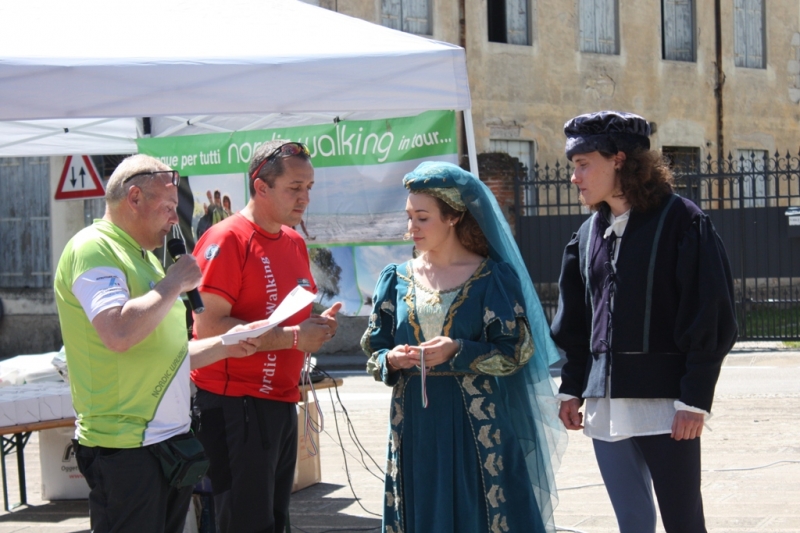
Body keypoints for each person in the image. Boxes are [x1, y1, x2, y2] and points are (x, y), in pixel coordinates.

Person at [54, 154, 265, 533]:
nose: (174, 217)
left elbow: (165, 356)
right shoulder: (94, 248)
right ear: (134, 198)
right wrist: (173, 284)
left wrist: (225, 345)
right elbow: (118, 333)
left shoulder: (148, 260)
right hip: (125, 448)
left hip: (167, 443)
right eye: (168, 206)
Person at [550, 111, 738, 533]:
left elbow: (711, 310)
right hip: (604, 405)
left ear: (619, 159)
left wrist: (694, 399)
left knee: (683, 523)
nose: (575, 177)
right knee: (632, 522)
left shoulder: (682, 221)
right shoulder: (585, 236)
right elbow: (577, 322)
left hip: (667, 407)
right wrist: (573, 387)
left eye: (583, 164)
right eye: (573, 167)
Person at [362, 161, 565, 533]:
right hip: (414, 427)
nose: (412, 228)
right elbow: (374, 355)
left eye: (422, 218)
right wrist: (391, 358)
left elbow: (516, 352)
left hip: (477, 425)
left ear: (454, 217)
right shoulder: (394, 280)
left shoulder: (491, 277)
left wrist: (459, 349)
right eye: (409, 217)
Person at [191, 140, 342, 533]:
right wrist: (294, 338)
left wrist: (318, 327)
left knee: (275, 522)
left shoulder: (292, 240)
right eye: (295, 187)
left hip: (279, 401)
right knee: (246, 523)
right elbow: (208, 329)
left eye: (309, 187)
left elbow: (285, 313)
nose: (305, 197)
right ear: (261, 187)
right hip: (234, 404)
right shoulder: (226, 239)